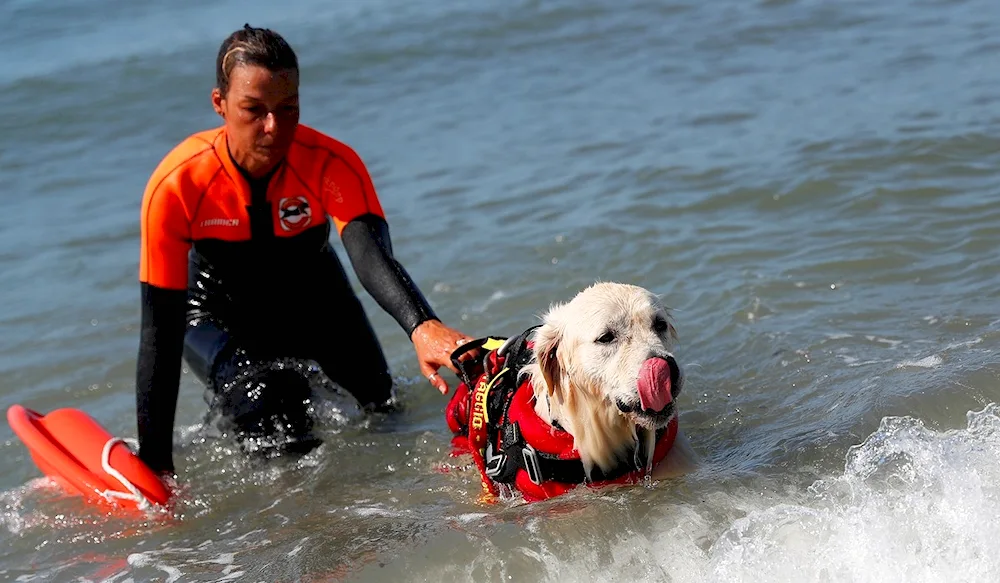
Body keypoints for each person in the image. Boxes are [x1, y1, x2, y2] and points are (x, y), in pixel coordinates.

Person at [135, 24, 473, 476]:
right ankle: (291, 532)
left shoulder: (330, 164)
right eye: (253, 110)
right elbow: (160, 331)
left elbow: (370, 255)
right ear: (220, 104)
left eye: (288, 108)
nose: (273, 127)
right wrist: (156, 470)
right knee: (273, 410)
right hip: (216, 313)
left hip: (316, 298)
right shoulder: (177, 186)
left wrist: (421, 325)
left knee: (382, 409)